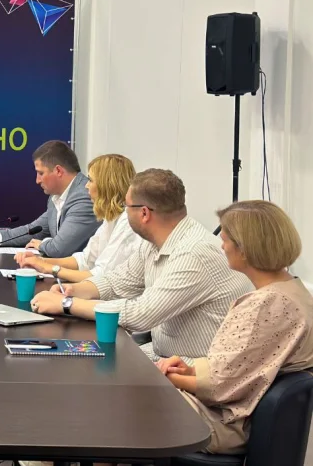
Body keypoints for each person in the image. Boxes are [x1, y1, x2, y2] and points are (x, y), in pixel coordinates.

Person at [30, 169, 252, 362]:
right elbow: (118, 281)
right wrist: (73, 290)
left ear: (144, 213)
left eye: (126, 206)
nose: (124, 212)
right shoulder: (156, 242)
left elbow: (141, 314)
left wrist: (66, 304)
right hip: (163, 354)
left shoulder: (194, 253)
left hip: (193, 370)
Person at [156, 201, 313, 454]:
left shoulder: (266, 305)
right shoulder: (293, 291)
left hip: (224, 424)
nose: (222, 246)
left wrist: (164, 377)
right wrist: (191, 370)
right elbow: (244, 368)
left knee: (126, 404)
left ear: (245, 249)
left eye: (225, 239)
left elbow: (218, 388)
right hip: (233, 414)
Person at [16, 154, 143, 283]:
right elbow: (85, 260)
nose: (86, 186)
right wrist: (40, 261)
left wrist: (50, 268)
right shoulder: (110, 218)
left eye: (91, 180)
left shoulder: (127, 222)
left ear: (107, 185)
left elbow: (102, 277)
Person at [0, 140, 100, 256]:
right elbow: (34, 230)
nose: (37, 180)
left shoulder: (85, 197)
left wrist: (42, 244)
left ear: (58, 171)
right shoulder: (56, 197)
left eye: (40, 173)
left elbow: (59, 249)